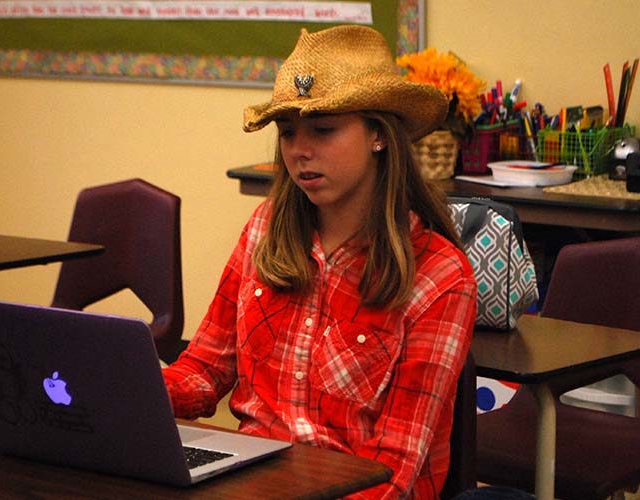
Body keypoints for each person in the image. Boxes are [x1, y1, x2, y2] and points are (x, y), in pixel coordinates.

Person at [162, 25, 477, 499]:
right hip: (252, 484)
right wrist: (127, 389)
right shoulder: (266, 230)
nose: (300, 151)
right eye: (288, 133)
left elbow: (394, 470)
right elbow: (204, 371)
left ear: (378, 134)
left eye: (324, 131)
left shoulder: (439, 275)